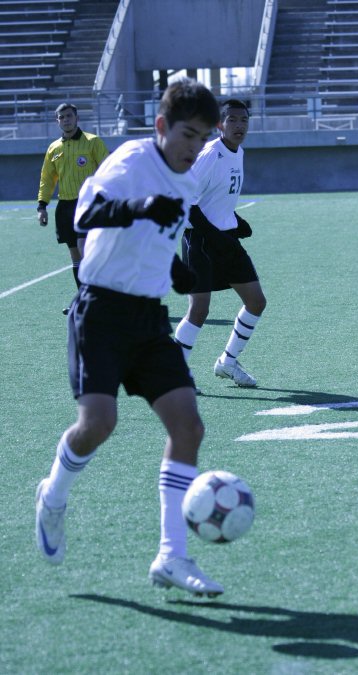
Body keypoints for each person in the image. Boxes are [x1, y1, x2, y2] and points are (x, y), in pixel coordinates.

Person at [35, 79, 224, 597]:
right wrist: (139, 206)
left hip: (147, 318)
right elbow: (85, 215)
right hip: (99, 311)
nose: (193, 147)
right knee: (98, 424)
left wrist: (181, 273)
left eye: (203, 138)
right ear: (162, 127)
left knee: (188, 426)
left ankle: (172, 556)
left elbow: (157, 239)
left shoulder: (187, 178)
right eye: (187, 134)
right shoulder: (129, 162)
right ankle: (52, 495)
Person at [174, 99, 266, 388]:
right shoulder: (210, 155)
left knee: (256, 301)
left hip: (224, 239)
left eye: (244, 120)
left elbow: (215, 198)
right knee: (199, 310)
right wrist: (217, 236)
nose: (239, 126)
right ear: (219, 124)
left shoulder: (237, 152)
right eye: (232, 120)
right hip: (200, 240)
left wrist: (235, 221)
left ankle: (228, 362)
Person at [37, 102, 109, 313]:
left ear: (77, 118)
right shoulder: (54, 148)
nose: (66, 120)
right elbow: (47, 179)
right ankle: (86, 300)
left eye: (69, 116)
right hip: (66, 207)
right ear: (57, 121)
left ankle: (95, 300)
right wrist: (42, 205)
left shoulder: (92, 142)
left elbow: (109, 170)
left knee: (85, 250)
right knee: (75, 256)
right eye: (62, 117)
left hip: (90, 205)